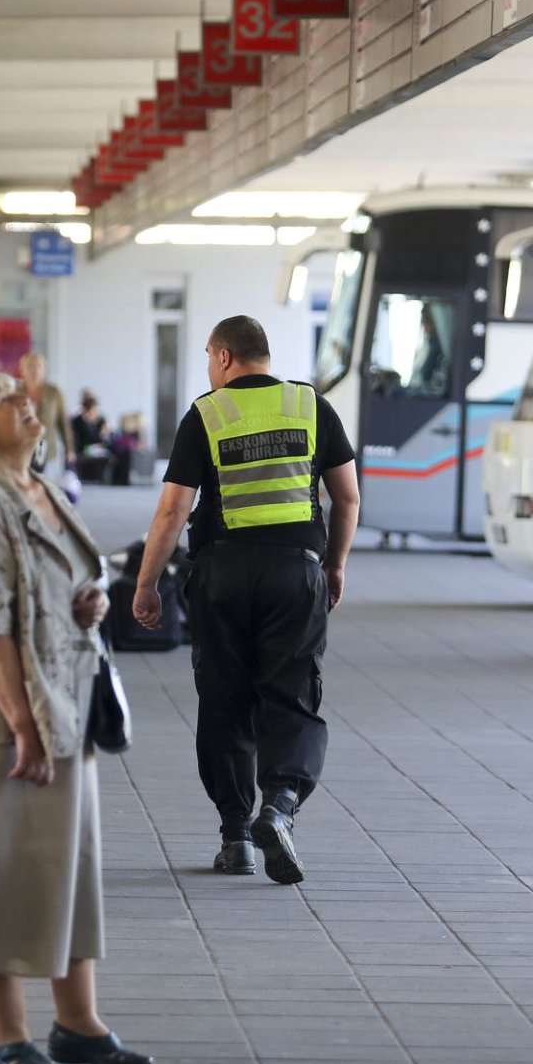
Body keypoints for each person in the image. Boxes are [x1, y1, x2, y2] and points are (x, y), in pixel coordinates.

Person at [0, 372, 152, 1064]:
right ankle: (6, 1032)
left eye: (25, 398)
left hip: (68, 700)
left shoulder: (41, 488)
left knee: (68, 865)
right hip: (8, 714)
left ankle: (78, 1022)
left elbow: (70, 575)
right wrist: (23, 727)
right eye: (6, 401)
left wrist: (87, 600)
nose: (27, 403)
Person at [133, 316, 358, 885]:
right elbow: (348, 497)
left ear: (226, 357)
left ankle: (236, 838)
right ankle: (279, 806)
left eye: (209, 356)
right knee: (292, 697)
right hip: (294, 575)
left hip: (222, 574)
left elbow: (172, 510)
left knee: (225, 699)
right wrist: (333, 565)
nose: (209, 367)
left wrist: (146, 583)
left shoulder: (205, 413)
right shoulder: (311, 406)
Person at [18, 352, 71, 477]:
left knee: (41, 481)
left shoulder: (54, 393)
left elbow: (63, 423)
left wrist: (69, 450)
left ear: (44, 370)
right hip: (21, 447)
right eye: (30, 366)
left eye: (38, 366)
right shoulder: (15, 392)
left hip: (45, 445)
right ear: (22, 370)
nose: (34, 370)